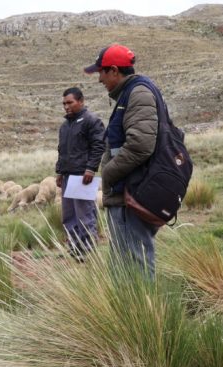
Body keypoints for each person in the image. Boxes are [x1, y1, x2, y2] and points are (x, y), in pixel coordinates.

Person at [84, 43, 162, 276]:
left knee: (135, 262)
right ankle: (127, 310)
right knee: (123, 262)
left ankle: (142, 311)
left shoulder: (138, 94)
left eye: (101, 72)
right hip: (125, 192)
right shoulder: (129, 94)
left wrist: (107, 173)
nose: (99, 79)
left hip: (132, 193)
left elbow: (140, 145)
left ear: (115, 70)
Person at [55, 87, 105, 260]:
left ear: (81, 101)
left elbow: (99, 146)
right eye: (64, 104)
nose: (66, 106)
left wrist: (91, 168)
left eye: (70, 102)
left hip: (83, 176)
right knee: (69, 215)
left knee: (85, 214)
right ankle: (74, 247)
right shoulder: (65, 126)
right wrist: (60, 172)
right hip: (68, 176)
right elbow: (62, 151)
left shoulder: (91, 120)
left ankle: (88, 249)